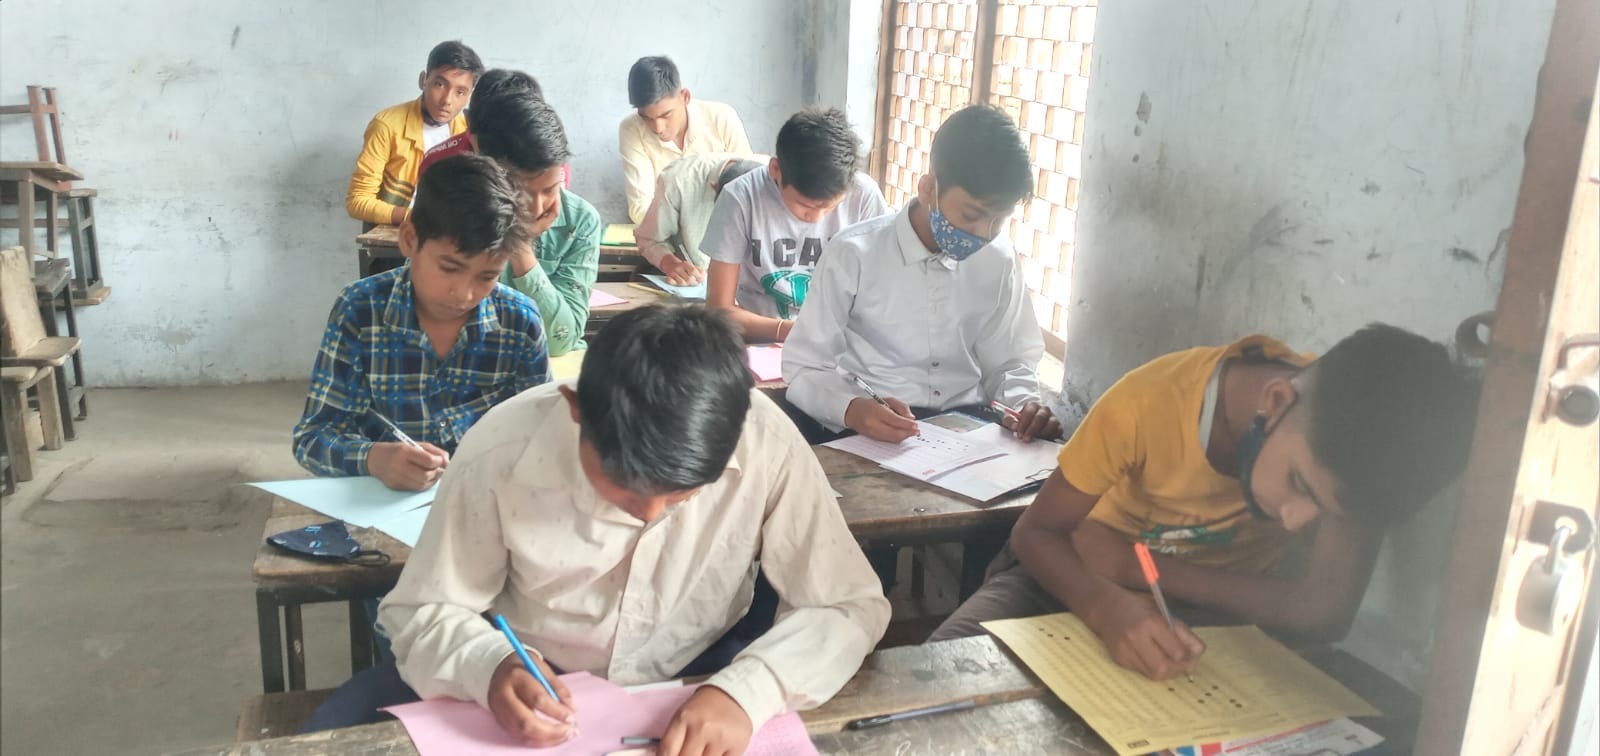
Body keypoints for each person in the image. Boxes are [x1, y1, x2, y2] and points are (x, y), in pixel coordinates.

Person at [301, 305, 891, 756]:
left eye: (682, 496)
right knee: (329, 734)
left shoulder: (763, 438)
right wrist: (488, 666)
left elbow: (848, 604)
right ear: (576, 408)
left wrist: (748, 691)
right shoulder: (500, 452)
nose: (650, 515)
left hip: (700, 669)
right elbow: (422, 611)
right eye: (626, 487)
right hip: (537, 676)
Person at [928, 325, 1480, 682]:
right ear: (1276, 402)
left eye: (1326, 514)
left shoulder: (1364, 448)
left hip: (1209, 619)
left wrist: (1136, 567)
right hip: (1069, 578)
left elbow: (1324, 612)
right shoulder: (1148, 403)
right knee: (938, 678)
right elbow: (1035, 535)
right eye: (1300, 486)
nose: (1296, 521)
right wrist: (1106, 604)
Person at [783, 105, 1061, 445]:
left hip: (970, 430)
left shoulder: (999, 258)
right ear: (929, 189)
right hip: (873, 429)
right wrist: (851, 409)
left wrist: (1024, 408)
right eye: (972, 215)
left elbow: (1010, 362)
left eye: (999, 220)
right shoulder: (853, 254)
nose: (984, 233)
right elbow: (804, 369)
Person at [295, 153, 548, 490]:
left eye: (487, 276)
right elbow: (313, 438)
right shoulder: (360, 311)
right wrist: (375, 459)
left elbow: (543, 433)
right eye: (449, 268)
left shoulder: (520, 323)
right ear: (409, 239)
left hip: (486, 497)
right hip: (385, 501)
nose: (463, 294)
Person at [420, 72, 600, 357]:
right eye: (522, 192)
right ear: (488, 168)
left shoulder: (580, 221)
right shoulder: (452, 207)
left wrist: (521, 248)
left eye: (550, 190)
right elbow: (435, 316)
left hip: (547, 370)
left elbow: (560, 340)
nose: (538, 208)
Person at [701, 108, 891, 343]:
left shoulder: (863, 196)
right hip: (763, 338)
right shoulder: (740, 198)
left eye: (830, 207)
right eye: (804, 205)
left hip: (842, 339)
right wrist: (789, 331)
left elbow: (883, 290)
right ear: (775, 169)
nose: (816, 218)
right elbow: (719, 310)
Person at [345, 41, 483, 228]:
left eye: (460, 92)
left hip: (445, 236)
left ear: (469, 96)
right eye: (440, 84)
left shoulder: (468, 132)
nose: (447, 100)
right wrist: (418, 218)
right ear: (423, 80)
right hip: (390, 235)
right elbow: (357, 201)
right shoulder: (387, 125)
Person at [619, 56, 753, 223]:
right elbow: (640, 207)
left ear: (685, 97)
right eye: (646, 118)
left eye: (666, 115)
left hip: (726, 226)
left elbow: (748, 184)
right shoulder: (632, 129)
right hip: (666, 232)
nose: (658, 128)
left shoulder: (722, 118)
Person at [633, 152, 766, 286]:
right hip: (690, 280)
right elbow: (648, 239)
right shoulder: (679, 181)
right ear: (714, 188)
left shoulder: (777, 180)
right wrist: (671, 264)